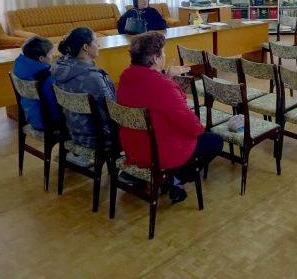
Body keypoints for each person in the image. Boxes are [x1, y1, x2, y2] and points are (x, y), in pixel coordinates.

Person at [117, 31, 223, 203]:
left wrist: (167, 76)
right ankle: (176, 178)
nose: (165, 56)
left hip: (133, 146)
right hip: (158, 152)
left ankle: (171, 177)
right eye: (163, 53)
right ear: (155, 59)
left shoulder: (126, 76)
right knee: (214, 141)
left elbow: (150, 98)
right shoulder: (163, 87)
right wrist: (167, 81)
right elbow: (192, 126)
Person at [52, 27, 115, 168]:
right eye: (96, 42)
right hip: (96, 138)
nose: (98, 46)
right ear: (86, 47)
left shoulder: (60, 66)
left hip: (72, 132)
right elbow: (113, 114)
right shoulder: (92, 78)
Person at [12, 36, 59, 130]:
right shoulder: (44, 76)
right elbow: (55, 100)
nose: (52, 56)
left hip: (30, 116)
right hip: (46, 121)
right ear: (41, 58)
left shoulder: (19, 67)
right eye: (50, 53)